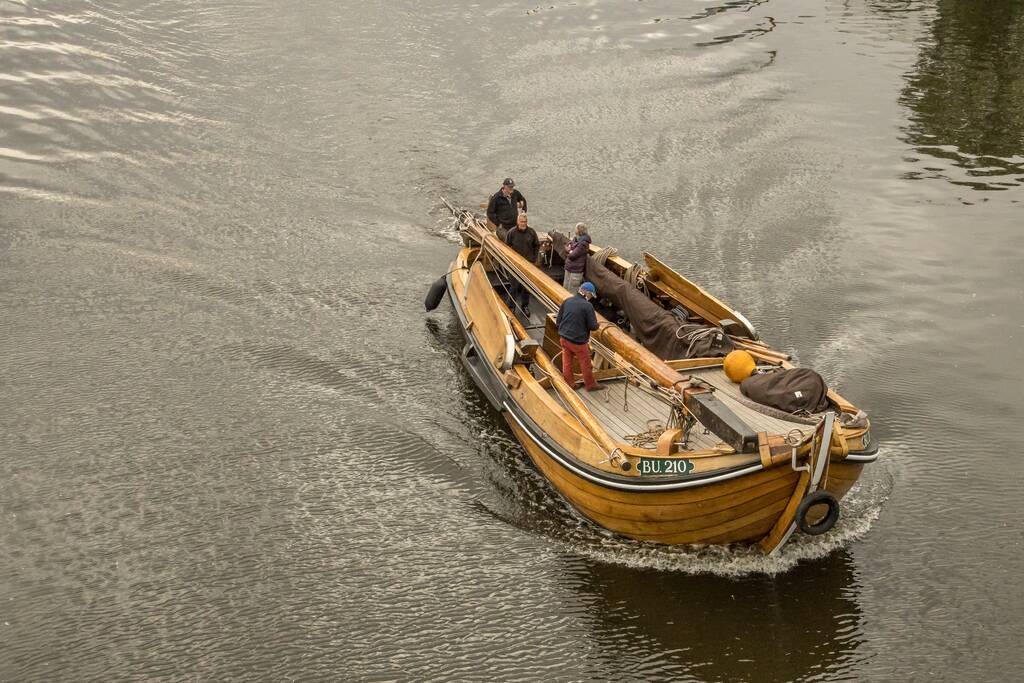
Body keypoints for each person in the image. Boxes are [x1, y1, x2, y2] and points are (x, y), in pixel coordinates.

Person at [556, 282, 605, 392]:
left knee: (567, 362)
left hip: (564, 338)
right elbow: (593, 326)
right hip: (578, 341)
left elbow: (558, 321)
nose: (591, 298)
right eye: (591, 295)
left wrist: (564, 332)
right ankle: (591, 385)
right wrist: (598, 325)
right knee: (585, 363)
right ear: (587, 293)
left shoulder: (567, 301)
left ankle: (570, 384)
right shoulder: (587, 306)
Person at [504, 212, 540, 316]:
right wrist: (510, 260)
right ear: (517, 221)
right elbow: (506, 247)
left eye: (525, 222)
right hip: (514, 265)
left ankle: (525, 306)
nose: (523, 223)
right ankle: (511, 306)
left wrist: (534, 259)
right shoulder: (511, 233)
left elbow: (537, 245)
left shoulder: (532, 232)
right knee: (513, 287)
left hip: (528, 265)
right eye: (521, 221)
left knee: (526, 287)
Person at [562, 222, 591, 292]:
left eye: (575, 229)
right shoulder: (575, 239)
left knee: (572, 292)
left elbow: (572, 256)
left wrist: (569, 250)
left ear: (579, 231)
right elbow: (566, 247)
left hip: (575, 272)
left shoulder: (583, 243)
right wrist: (570, 250)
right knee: (564, 289)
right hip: (568, 268)